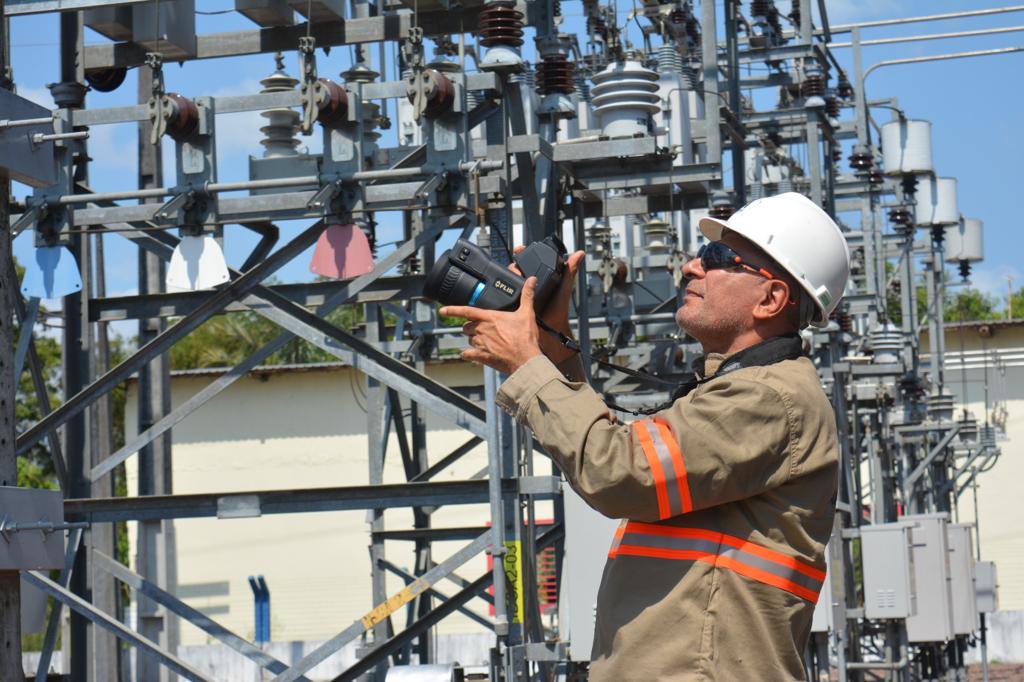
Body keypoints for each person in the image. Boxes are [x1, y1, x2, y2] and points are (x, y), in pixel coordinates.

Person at [440, 192, 851, 681]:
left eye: (720, 258)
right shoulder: (738, 391)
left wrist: (529, 366)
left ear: (771, 299)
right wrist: (553, 351)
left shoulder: (770, 400)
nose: (693, 266)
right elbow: (621, 451)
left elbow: (619, 471)